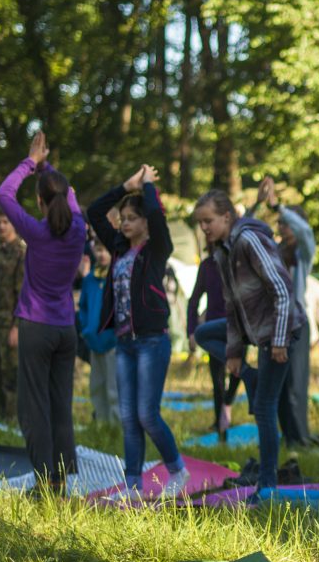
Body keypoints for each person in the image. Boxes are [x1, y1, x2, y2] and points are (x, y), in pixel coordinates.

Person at [193, 189, 306, 491]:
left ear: (227, 216)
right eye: (200, 223)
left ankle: (266, 485)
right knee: (204, 333)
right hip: (255, 329)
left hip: (280, 330)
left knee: (265, 407)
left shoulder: (248, 240)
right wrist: (234, 353)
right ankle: (249, 376)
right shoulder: (222, 250)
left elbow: (282, 290)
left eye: (208, 221)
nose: (204, 228)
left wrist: (280, 341)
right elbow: (232, 307)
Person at [88, 165, 190, 498]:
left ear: (145, 221)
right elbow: (94, 212)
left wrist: (147, 188)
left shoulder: (156, 248)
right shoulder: (117, 248)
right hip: (125, 341)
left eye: (132, 217)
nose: (124, 222)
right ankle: (133, 485)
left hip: (151, 341)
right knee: (129, 417)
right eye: (123, 218)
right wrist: (125, 186)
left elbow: (158, 218)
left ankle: (178, 470)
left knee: (147, 413)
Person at [0, 131, 87, 492]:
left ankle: (45, 484)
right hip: (66, 330)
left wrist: (31, 162)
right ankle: (60, 482)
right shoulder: (79, 229)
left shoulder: (35, 231)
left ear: (39, 201)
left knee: (33, 409)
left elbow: (3, 194)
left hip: (36, 326)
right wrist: (45, 167)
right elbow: (71, 194)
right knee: (60, 407)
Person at [249, 176, 315, 446]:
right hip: (272, 324)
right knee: (278, 384)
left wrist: (279, 206)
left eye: (285, 224)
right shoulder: (274, 252)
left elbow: (305, 233)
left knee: (295, 387)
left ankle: (300, 438)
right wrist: (257, 204)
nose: (282, 228)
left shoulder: (303, 254)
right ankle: (287, 437)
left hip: (296, 323)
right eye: (279, 224)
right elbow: (245, 232)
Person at [187, 246, 239, 438]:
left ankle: (227, 403)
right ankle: (220, 423)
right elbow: (194, 300)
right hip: (214, 328)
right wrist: (191, 331)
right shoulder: (208, 266)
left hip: (238, 328)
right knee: (217, 379)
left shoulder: (238, 262)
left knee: (237, 371)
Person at [0, 205, 24, 422]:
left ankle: (12, 420)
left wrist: (17, 326)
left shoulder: (21, 252)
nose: (1, 226)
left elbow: (23, 294)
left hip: (10, 324)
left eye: (5, 222)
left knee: (11, 373)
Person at [78, 239, 119, 423]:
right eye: (99, 250)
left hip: (113, 341)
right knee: (97, 385)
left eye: (106, 251)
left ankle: (116, 425)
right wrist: (86, 329)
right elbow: (84, 307)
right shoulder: (89, 280)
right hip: (94, 340)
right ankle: (102, 425)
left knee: (114, 387)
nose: (102, 255)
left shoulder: (118, 276)